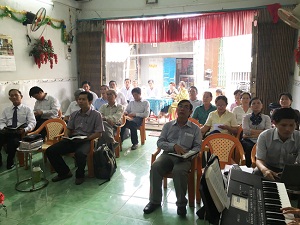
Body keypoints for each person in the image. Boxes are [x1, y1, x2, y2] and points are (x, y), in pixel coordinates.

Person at [143, 100, 202, 216]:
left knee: (179, 171)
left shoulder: (195, 129)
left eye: (186, 107)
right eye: (180, 106)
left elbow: (198, 147)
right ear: (176, 109)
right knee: (155, 167)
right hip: (167, 155)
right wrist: (173, 146)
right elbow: (160, 142)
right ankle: (154, 201)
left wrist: (188, 154)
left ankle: (181, 204)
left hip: (184, 159)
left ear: (190, 112)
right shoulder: (168, 125)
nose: (182, 109)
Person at [46, 91, 104, 185]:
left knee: (80, 153)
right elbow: (69, 128)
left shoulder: (96, 115)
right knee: (51, 151)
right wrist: (66, 136)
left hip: (88, 140)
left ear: (90, 101)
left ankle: (80, 175)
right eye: (79, 99)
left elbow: (99, 133)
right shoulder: (74, 114)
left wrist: (87, 138)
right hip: (73, 139)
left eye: (83, 99)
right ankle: (64, 172)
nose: (80, 101)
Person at [254, 107, 300, 180]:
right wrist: (265, 170)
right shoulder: (265, 136)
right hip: (269, 167)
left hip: (290, 169)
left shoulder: (298, 137)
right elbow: (259, 160)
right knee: (257, 172)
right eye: (283, 125)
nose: (288, 129)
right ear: (275, 123)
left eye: (291, 125)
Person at [0, 89, 36, 169]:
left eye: (16, 95)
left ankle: (10, 161)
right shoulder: (6, 110)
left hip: (19, 133)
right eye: (12, 96)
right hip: (7, 131)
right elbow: (1, 122)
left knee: (12, 142)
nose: (14, 97)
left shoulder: (27, 109)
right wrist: (2, 128)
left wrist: (25, 129)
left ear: (21, 96)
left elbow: (32, 122)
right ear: (10, 99)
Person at [241, 97, 271, 167]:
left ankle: (263, 167)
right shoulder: (246, 117)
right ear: (250, 106)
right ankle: (249, 167)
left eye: (258, 103)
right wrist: (261, 132)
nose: (256, 105)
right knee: (249, 148)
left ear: (262, 105)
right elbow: (246, 131)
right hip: (248, 141)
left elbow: (267, 132)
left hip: (262, 140)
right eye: (253, 103)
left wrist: (250, 134)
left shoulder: (266, 117)